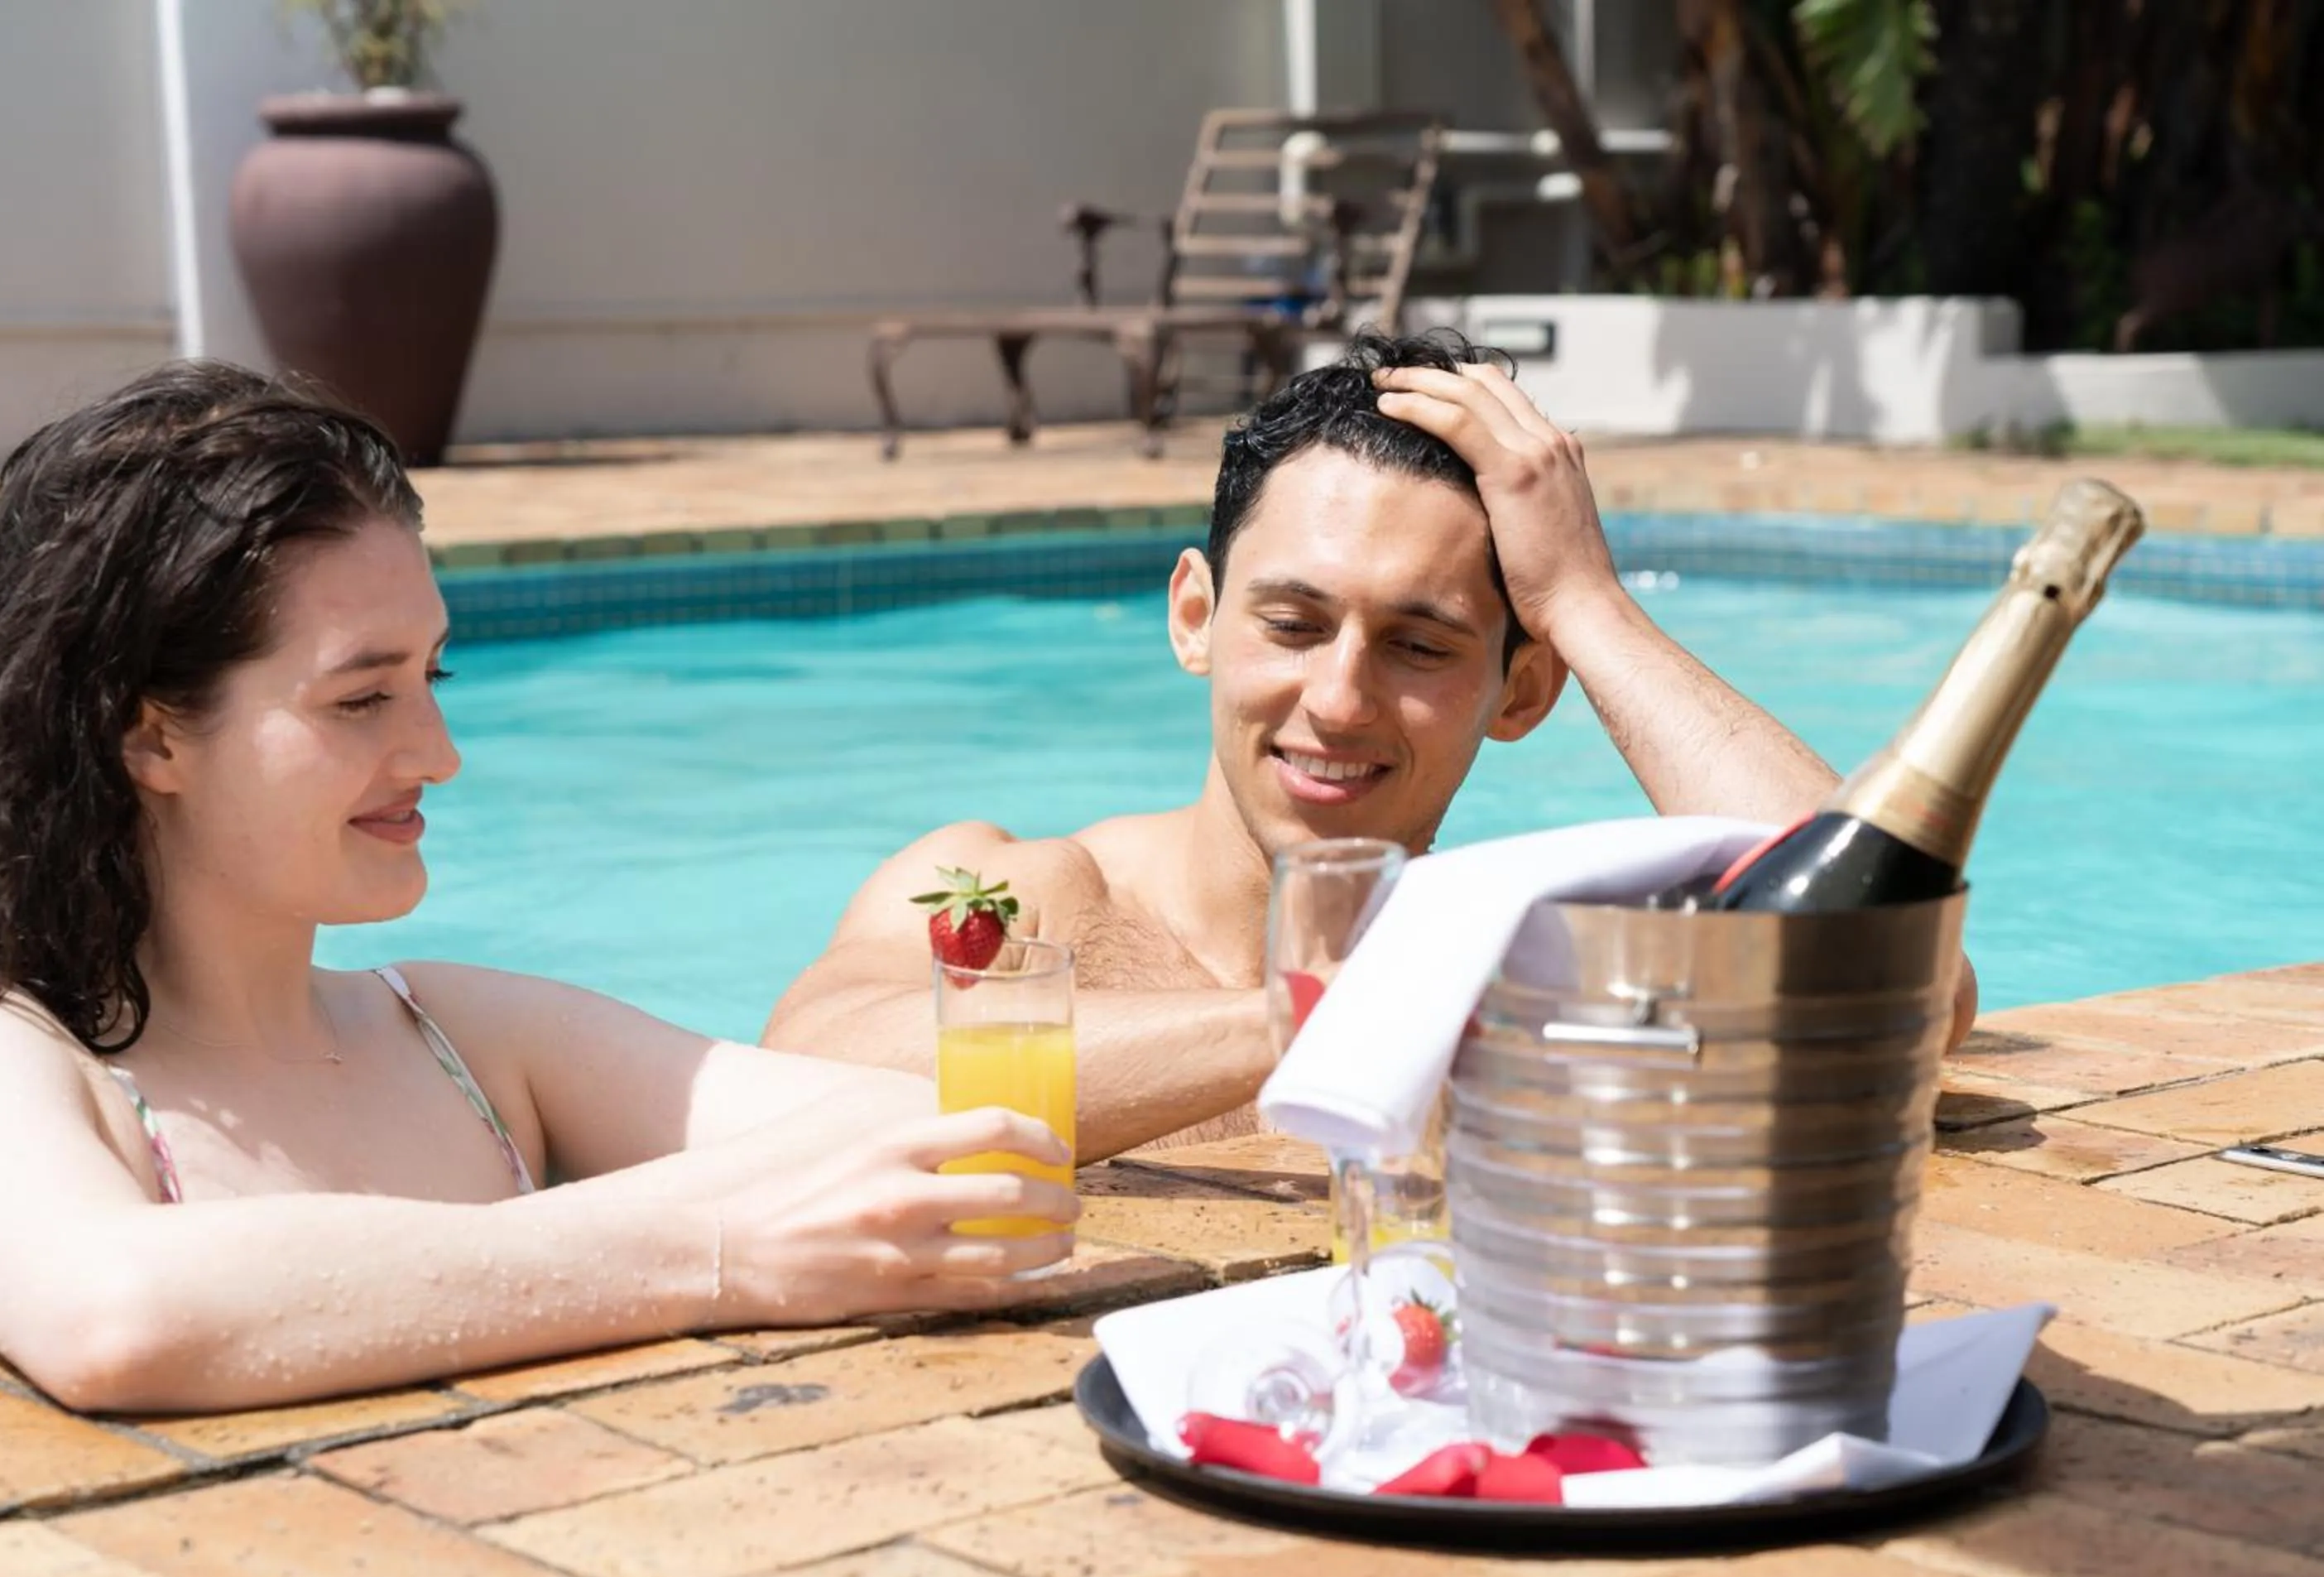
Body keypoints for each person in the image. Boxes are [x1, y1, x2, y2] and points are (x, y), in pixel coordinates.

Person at [0, 363, 1077, 1413]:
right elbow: (121, 1313)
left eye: (435, 676)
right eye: (362, 697)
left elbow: (923, 1140)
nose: (437, 754)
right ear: (150, 735)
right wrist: (713, 1255)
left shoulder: (463, 1039)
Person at [765, 331, 1978, 1149]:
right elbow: (805, 1074)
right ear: (1196, 617)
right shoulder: (1024, 895)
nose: (1339, 701)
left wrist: (1589, 609)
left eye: (1420, 646)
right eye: (1291, 624)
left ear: (1522, 693)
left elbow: (1897, 980)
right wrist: (1321, 1016)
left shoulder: (1519, 941)